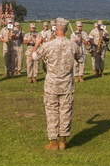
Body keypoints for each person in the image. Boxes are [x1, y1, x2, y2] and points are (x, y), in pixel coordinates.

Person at [32, 18, 83, 150]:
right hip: (67, 84)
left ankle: (53, 142)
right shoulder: (72, 45)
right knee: (66, 112)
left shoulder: (49, 45)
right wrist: (77, 44)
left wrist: (37, 44)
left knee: (52, 112)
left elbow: (34, 57)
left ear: (56, 28)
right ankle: (63, 141)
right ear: (66, 29)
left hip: (52, 85)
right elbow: (81, 58)